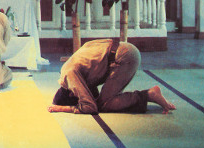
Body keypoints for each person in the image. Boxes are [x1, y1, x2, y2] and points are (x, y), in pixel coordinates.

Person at [47, 39, 175, 114]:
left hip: (124, 58)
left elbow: (90, 107)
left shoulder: (69, 75)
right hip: (125, 48)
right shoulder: (69, 65)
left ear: (70, 93)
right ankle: (152, 96)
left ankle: (149, 95)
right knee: (103, 98)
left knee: (104, 105)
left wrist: (62, 108)